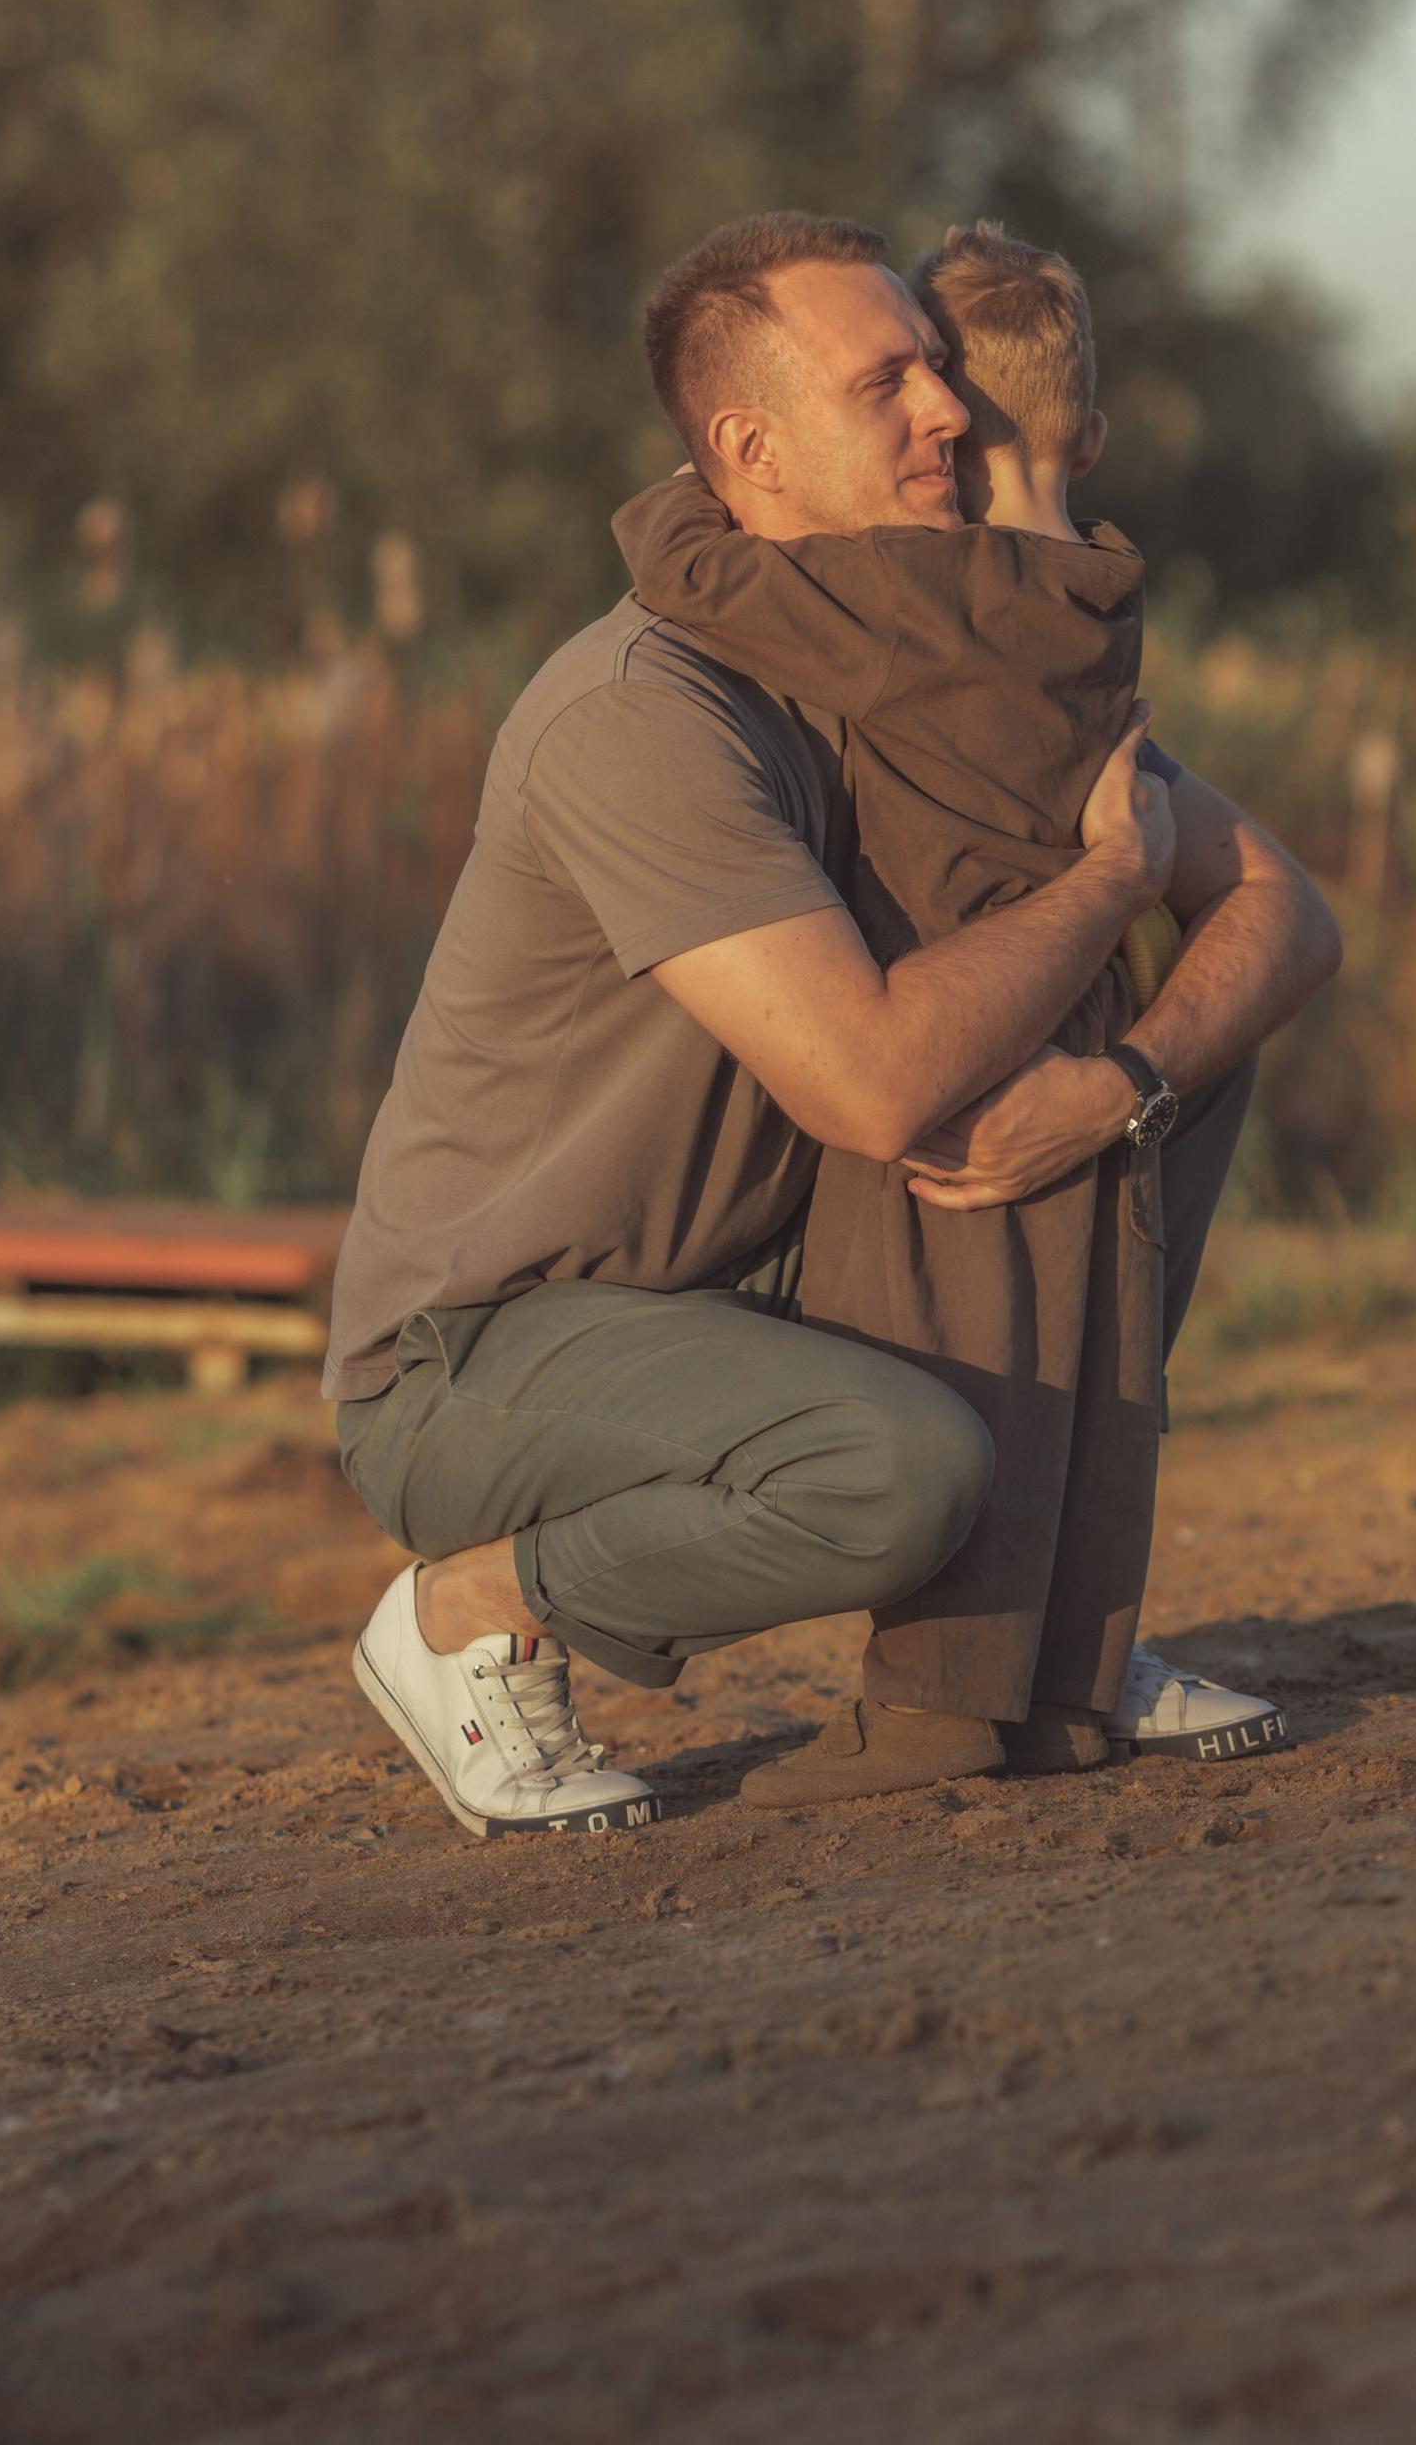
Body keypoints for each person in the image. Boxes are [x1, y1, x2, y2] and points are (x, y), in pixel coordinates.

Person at [322, 210, 1340, 1840]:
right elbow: (870, 1085)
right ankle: (469, 1611)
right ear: (752, 449)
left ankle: (1051, 1639)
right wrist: (1109, 879)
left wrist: (1123, 1087)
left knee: (1170, 1060)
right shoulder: (642, 715)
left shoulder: (907, 660)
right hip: (487, 1350)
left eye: (936, 368)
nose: (948, 411)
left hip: (746, 1282)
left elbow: (1287, 912)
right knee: (898, 1473)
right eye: (889, 386)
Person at [613, 218, 1213, 1803]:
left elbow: (685, 571)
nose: (920, 420)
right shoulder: (1097, 602)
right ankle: (1067, 1696)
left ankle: (935, 1711)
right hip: (1088, 1021)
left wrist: (696, 474)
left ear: (959, 420)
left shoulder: (921, 598)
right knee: (1095, 1378)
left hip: (962, 1034)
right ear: (1094, 434)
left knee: (969, 1367)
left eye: (924, 384)